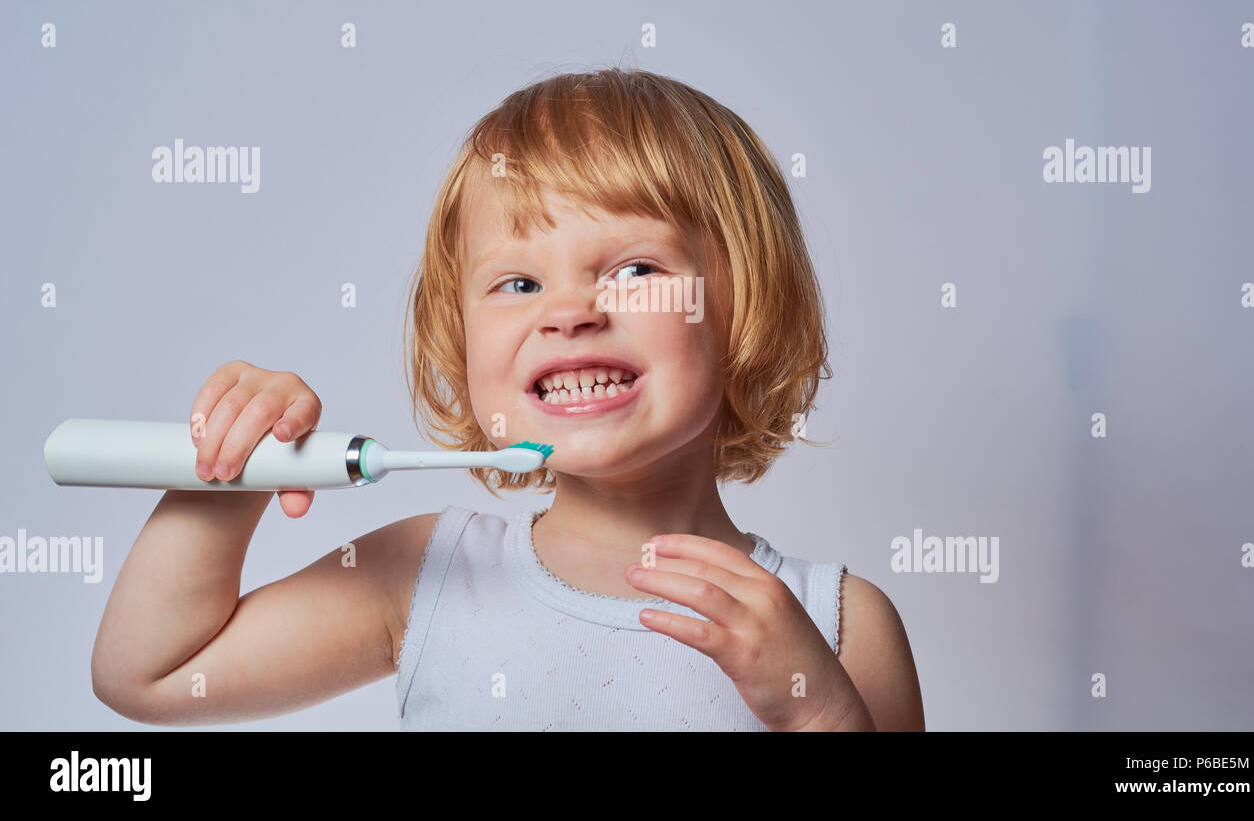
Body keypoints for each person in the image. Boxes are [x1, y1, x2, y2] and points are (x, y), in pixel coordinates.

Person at [91, 67, 924, 731]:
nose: (568, 312)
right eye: (518, 282)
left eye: (635, 268)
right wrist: (234, 472)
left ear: (750, 303)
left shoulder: (842, 624)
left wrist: (820, 712)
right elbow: (152, 674)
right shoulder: (428, 575)